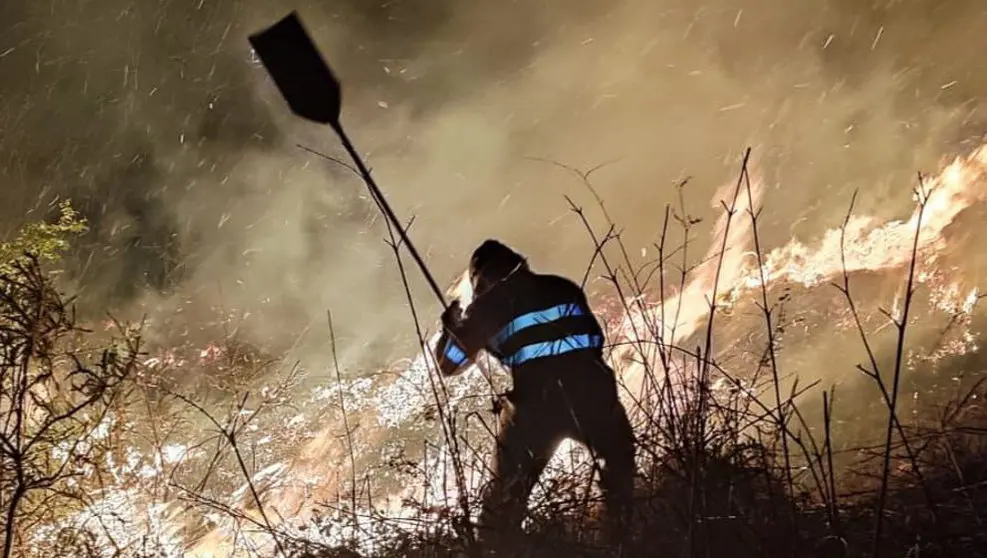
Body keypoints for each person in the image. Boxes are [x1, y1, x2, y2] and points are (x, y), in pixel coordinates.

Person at [433, 239, 636, 552]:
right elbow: (594, 338)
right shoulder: (562, 287)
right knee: (619, 480)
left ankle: (497, 548)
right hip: (596, 393)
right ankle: (625, 540)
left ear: (482, 280)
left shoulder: (489, 305)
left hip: (537, 408)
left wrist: (452, 326)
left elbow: (450, 364)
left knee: (504, 502)